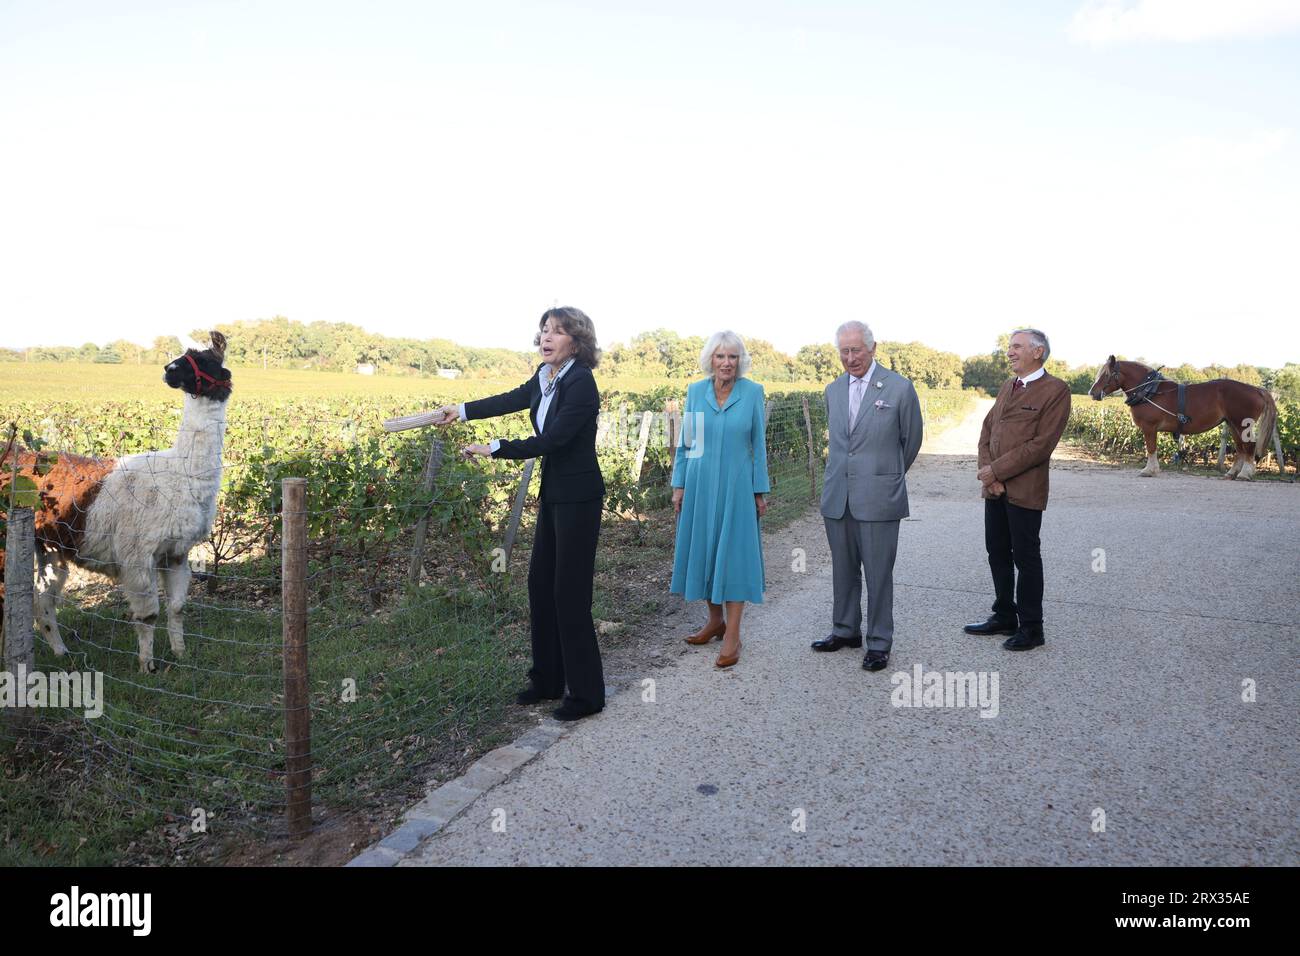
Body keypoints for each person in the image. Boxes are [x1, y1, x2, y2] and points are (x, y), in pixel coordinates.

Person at [430, 307, 606, 720]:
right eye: (544, 330)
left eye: (558, 332)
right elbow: (511, 399)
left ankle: (586, 695)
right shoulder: (545, 378)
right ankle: (547, 680)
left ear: (576, 342)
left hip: (579, 498)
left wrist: (497, 448)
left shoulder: (580, 382)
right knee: (540, 585)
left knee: (570, 594)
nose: (546, 338)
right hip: (554, 495)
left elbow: (556, 440)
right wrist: (463, 409)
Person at [815, 321, 924, 672]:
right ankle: (845, 630)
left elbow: (911, 441)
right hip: (838, 496)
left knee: (878, 573)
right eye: (844, 352)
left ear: (872, 348)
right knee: (843, 569)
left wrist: (884, 475)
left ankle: (879, 642)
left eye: (856, 350)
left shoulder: (899, 388)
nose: (850, 358)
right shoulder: (832, 390)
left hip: (879, 496)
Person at [965, 328, 1071, 651]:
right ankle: (1004, 615)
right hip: (994, 491)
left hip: (1025, 491)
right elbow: (987, 430)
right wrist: (989, 476)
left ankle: (1032, 628)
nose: (1009, 352)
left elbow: (1040, 446)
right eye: (1009, 347)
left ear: (1038, 352)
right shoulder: (1007, 386)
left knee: (1026, 558)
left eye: (1016, 347)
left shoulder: (1056, 391)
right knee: (996, 551)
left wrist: (995, 471)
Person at [670, 331, 770, 669]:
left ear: (740, 361)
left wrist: (760, 490)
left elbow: (758, 445)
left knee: (734, 555)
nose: (726, 363)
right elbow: (688, 443)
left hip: (737, 486)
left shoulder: (753, 392)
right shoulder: (696, 392)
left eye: (732, 357)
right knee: (706, 550)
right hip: (699, 484)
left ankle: (733, 634)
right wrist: (679, 484)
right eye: (720, 356)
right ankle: (715, 621)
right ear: (710, 359)